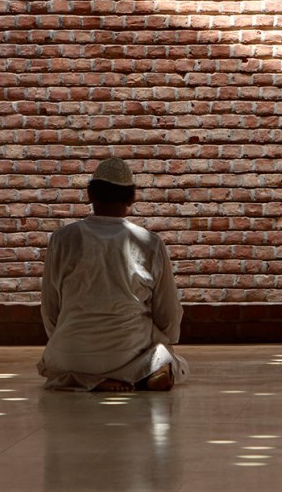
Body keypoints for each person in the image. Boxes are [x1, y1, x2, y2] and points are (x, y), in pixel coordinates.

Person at [38, 157, 186, 392]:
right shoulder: (150, 243)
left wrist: (66, 338)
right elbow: (168, 314)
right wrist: (163, 338)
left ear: (91, 195)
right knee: (166, 355)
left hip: (71, 354)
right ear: (131, 198)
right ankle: (148, 371)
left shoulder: (62, 239)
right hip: (127, 352)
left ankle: (90, 379)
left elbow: (50, 308)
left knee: (61, 370)